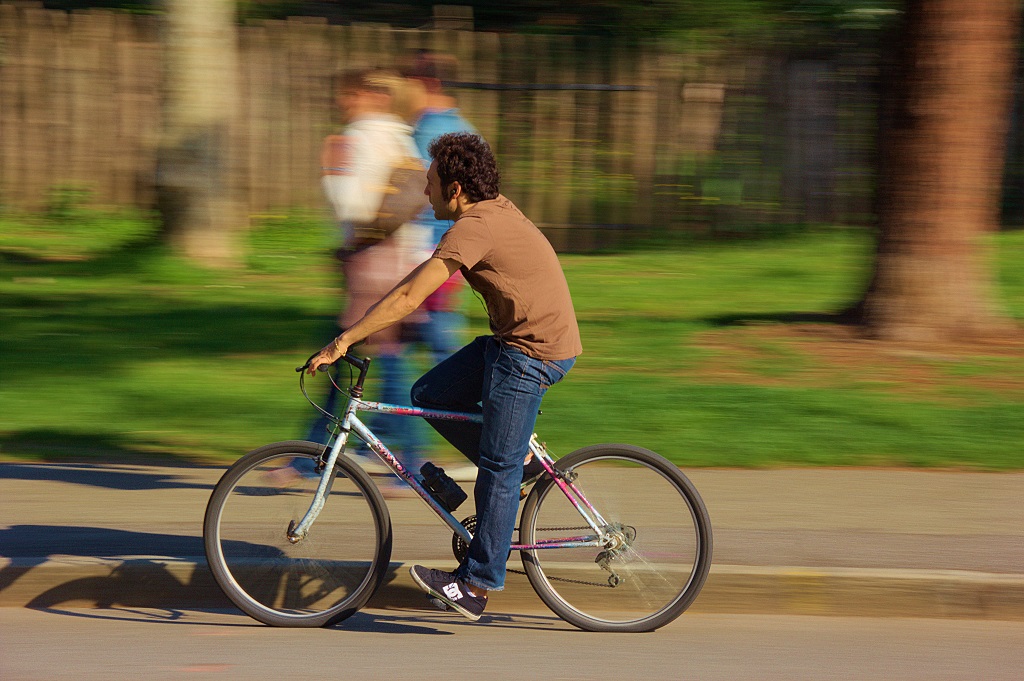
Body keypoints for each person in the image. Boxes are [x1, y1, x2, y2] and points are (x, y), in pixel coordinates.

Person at [305, 132, 582, 622]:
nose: (424, 193)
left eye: (430, 184)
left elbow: (411, 295)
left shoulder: (474, 228)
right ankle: (524, 467)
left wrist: (345, 339)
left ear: (455, 189)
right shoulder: (489, 212)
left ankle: (475, 587)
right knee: (429, 392)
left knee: (496, 470)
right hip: (513, 341)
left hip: (533, 352)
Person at [305, 69, 427, 483]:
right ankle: (315, 457)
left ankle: (404, 464)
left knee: (356, 361)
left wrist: (331, 172)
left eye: (348, 96)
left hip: (368, 265)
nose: (344, 104)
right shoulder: (402, 137)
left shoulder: (354, 138)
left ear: (364, 96)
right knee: (377, 363)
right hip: (402, 262)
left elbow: (352, 209)